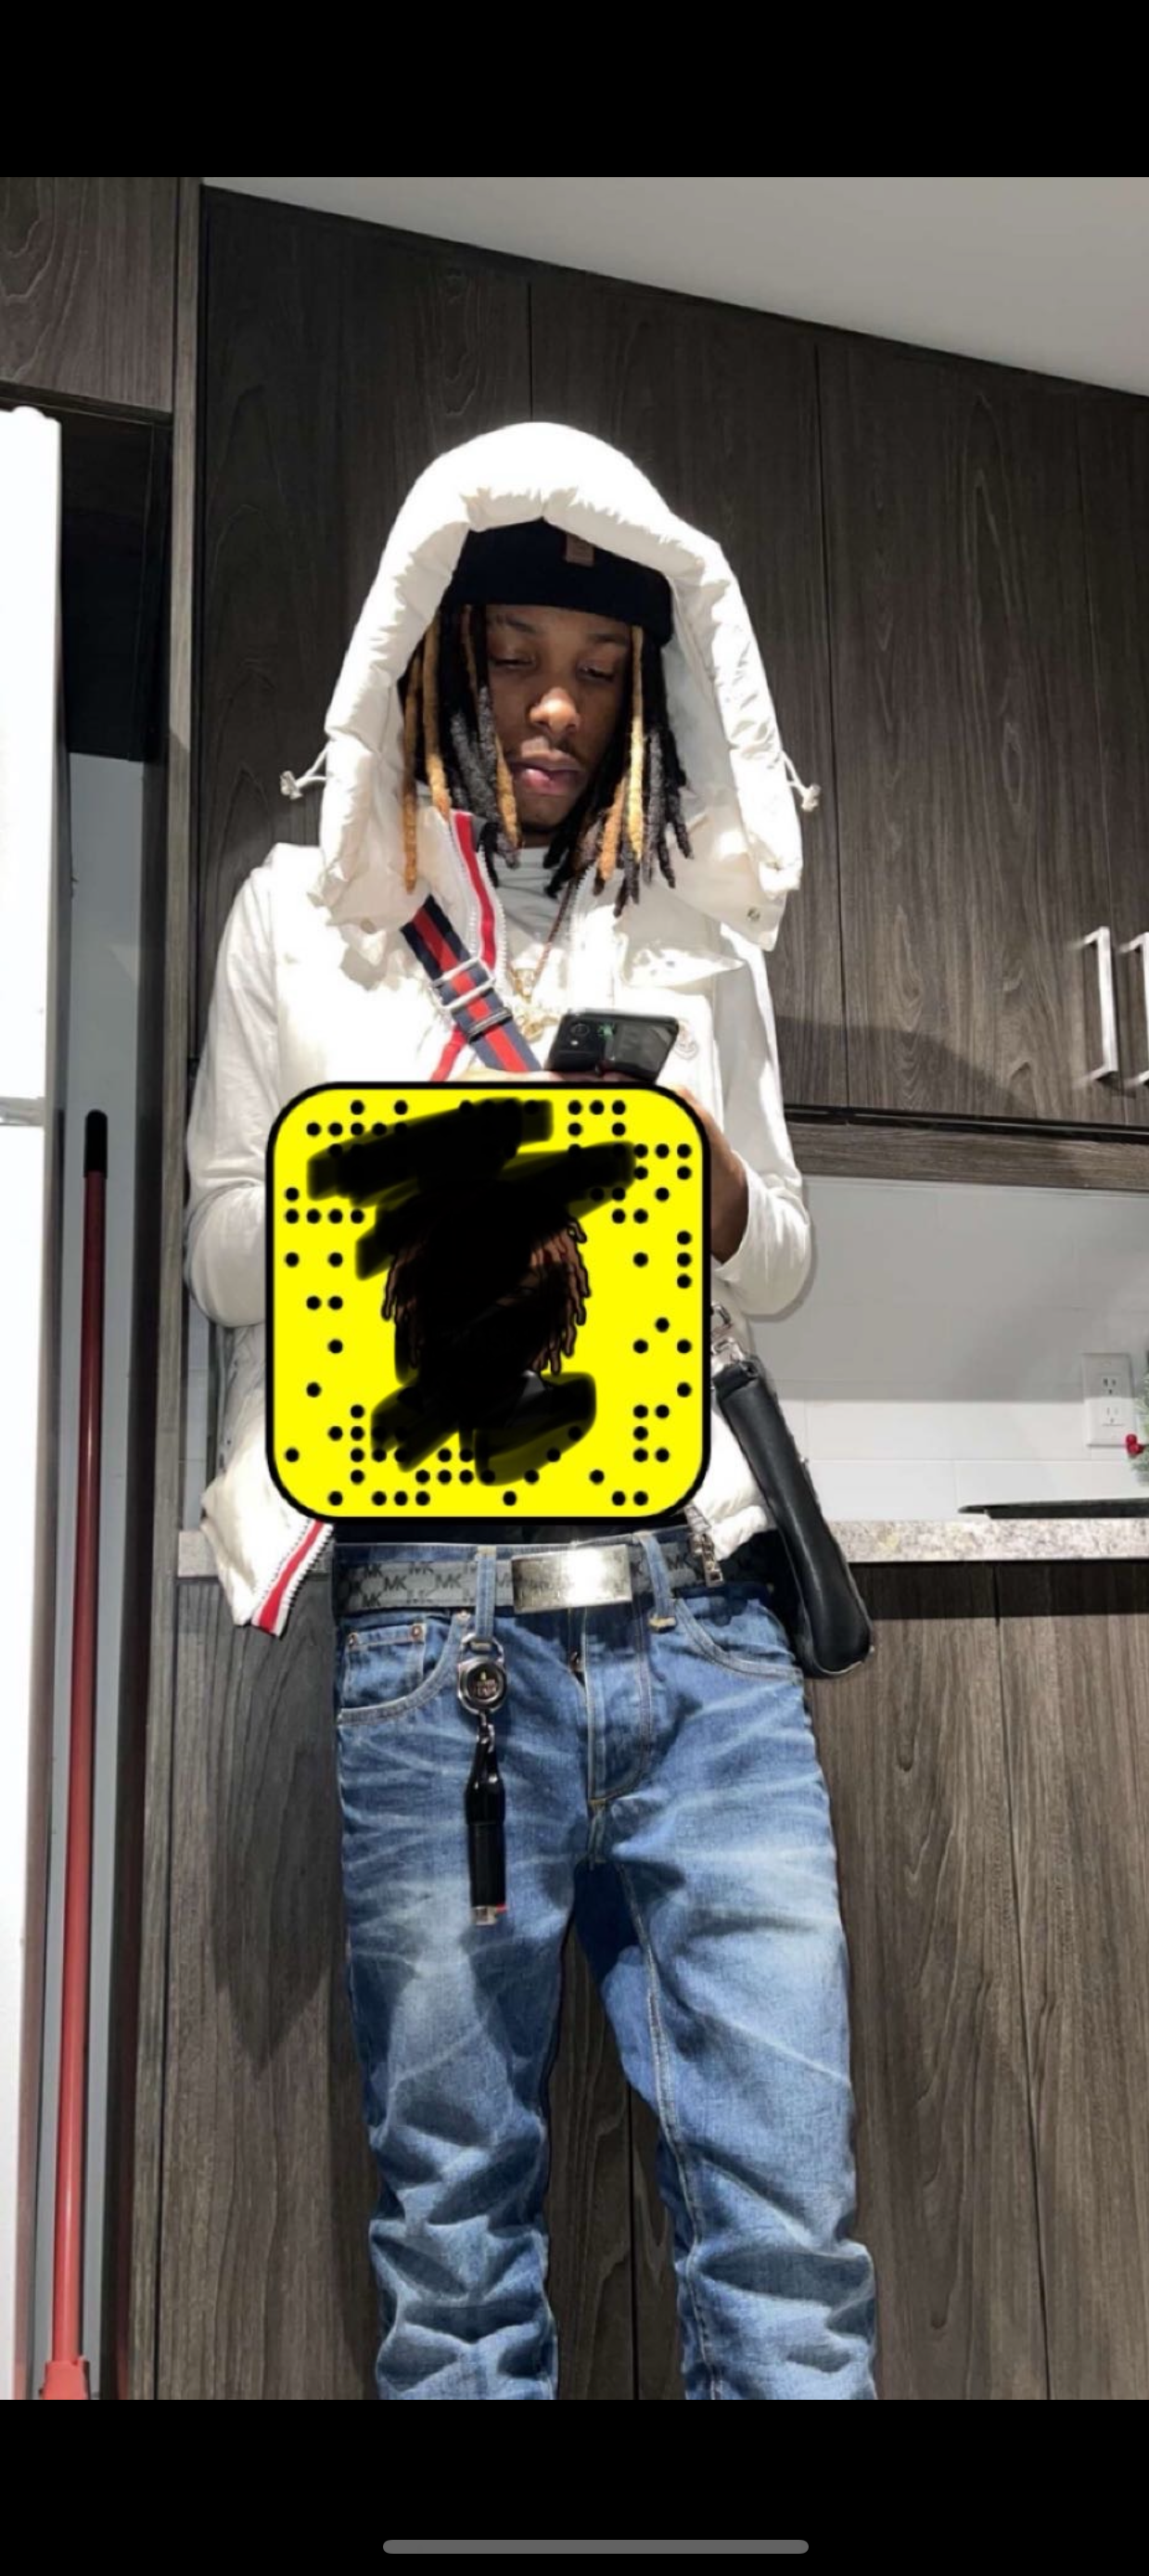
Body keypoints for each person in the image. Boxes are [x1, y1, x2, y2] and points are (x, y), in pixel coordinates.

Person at [185, 420, 877, 2400]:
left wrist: (699, 1180)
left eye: (595, 669)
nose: (555, 706)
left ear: (646, 692)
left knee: (790, 2238)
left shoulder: (695, 936)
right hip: (438, 1624)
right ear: (430, 658)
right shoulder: (300, 915)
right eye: (509, 659)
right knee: (458, 2260)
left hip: (707, 1617)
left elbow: (782, 1258)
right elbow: (222, 1245)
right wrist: (451, 1170)